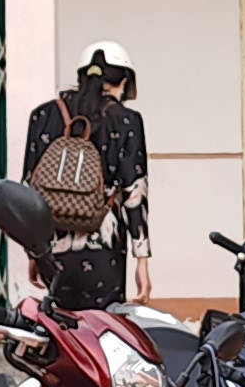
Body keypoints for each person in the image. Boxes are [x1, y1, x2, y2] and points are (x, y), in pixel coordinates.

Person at [21, 45, 152, 312]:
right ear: (124, 82)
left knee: (61, 323)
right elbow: (134, 193)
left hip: (53, 247)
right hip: (104, 248)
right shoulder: (127, 120)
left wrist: (34, 252)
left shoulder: (42, 116)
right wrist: (142, 261)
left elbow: (28, 191)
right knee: (101, 325)